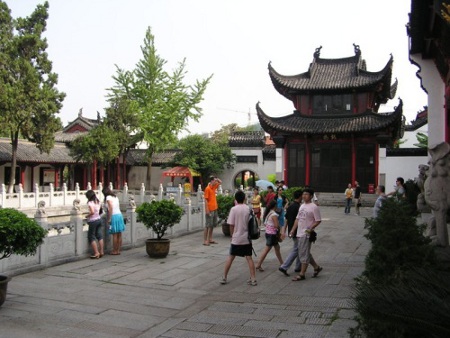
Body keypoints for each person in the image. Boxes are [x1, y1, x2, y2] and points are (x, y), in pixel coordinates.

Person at [220, 190, 257, 286]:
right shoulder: (249, 209)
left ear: (235, 199)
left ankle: (224, 277)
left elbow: (231, 225)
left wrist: (232, 235)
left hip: (236, 238)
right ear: (244, 198)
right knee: (249, 258)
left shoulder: (234, 209)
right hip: (246, 238)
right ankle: (253, 279)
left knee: (231, 257)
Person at [289, 188, 322, 281]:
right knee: (304, 252)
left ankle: (302, 273)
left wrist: (310, 228)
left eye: (306, 194)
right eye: (303, 194)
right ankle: (316, 267)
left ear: (311, 196)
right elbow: (297, 219)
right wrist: (292, 230)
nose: (304, 196)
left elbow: (318, 220)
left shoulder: (314, 207)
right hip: (299, 232)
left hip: (306, 233)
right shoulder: (302, 206)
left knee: (303, 253)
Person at [255, 199, 284, 272]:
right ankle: (258, 264)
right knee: (267, 250)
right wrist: (280, 229)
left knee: (277, 248)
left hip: (268, 233)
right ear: (275, 206)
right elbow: (277, 225)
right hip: (272, 234)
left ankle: (282, 263)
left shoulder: (268, 213)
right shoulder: (274, 214)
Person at [279, 189, 302, 276]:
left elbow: (287, 219)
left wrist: (284, 230)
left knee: (299, 248)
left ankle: (298, 267)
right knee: (297, 249)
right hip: (297, 230)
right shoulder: (299, 207)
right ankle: (284, 266)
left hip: (292, 230)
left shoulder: (291, 206)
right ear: (300, 197)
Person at [102, 187, 125, 255]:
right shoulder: (115, 197)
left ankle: (115, 250)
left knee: (115, 234)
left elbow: (111, 207)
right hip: (119, 215)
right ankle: (118, 250)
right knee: (119, 234)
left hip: (114, 215)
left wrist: (109, 218)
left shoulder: (108, 197)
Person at [203, 176, 222, 246]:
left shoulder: (213, 187)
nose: (215, 182)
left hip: (214, 208)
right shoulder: (207, 189)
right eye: (214, 181)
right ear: (211, 181)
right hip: (210, 209)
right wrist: (207, 210)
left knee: (212, 225)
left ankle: (210, 239)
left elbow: (220, 182)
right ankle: (205, 240)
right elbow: (205, 200)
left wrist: (217, 179)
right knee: (207, 225)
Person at [85, 190, 104, 259]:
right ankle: (101, 251)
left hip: (93, 221)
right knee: (99, 236)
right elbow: (100, 211)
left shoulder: (90, 203)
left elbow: (92, 212)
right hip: (99, 219)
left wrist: (87, 216)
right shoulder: (98, 201)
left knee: (91, 237)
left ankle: (96, 253)